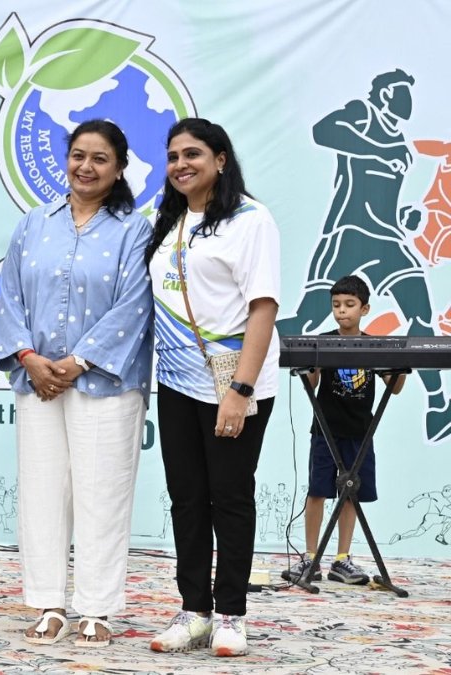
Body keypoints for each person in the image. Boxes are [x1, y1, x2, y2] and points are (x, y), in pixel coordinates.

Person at [0, 120, 153, 648]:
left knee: (102, 493)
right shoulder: (34, 224)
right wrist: (29, 357)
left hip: (106, 382)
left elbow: (135, 304)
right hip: (37, 379)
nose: (86, 167)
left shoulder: (134, 229)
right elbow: (10, 294)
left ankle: (96, 607)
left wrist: (80, 361)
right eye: (78, 155)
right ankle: (49, 603)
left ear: (119, 168)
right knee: (42, 491)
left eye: (100, 159)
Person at [145, 118, 281, 657]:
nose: (181, 164)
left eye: (193, 154)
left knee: (230, 497)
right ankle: (194, 610)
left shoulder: (250, 219)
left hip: (234, 383)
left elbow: (263, 308)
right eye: (173, 156)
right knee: (186, 499)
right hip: (176, 380)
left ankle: (231, 614)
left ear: (221, 160)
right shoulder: (170, 221)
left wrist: (240, 391)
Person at [278, 71, 449, 443]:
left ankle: (438, 405)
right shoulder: (363, 113)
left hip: (388, 239)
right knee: (307, 319)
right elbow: (323, 131)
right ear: (385, 95)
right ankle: (245, 346)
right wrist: (381, 151)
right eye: (402, 93)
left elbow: (378, 196)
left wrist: (404, 216)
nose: (408, 102)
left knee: (421, 314)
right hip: (349, 231)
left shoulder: (401, 141)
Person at [282, 275, 405, 585]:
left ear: (364, 309)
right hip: (325, 431)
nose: (342, 310)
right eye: (336, 305)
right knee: (317, 491)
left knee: (351, 492)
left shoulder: (374, 346)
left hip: (359, 433)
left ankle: (342, 559)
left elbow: (395, 387)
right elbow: (311, 384)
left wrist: (400, 363)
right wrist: (311, 363)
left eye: (349, 305)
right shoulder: (322, 341)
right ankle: (310, 557)